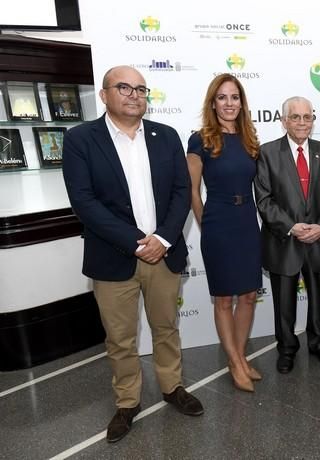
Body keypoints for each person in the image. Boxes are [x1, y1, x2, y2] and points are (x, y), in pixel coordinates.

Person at [62, 65, 203, 443]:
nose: (133, 94)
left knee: (166, 328)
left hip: (164, 254)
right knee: (121, 338)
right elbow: (84, 202)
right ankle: (127, 402)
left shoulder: (166, 136)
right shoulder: (80, 139)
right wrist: (137, 242)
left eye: (141, 89)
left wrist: (163, 239)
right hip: (114, 258)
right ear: (105, 94)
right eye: (123, 87)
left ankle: (173, 387)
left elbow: (180, 192)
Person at [254, 96, 320, 374]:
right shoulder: (267, 153)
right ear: (284, 121)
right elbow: (264, 199)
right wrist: (292, 226)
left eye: (308, 117)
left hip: (318, 239)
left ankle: (319, 344)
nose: (302, 122)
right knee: (284, 301)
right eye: (296, 117)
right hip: (284, 240)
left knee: (319, 298)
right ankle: (287, 349)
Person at [187, 74, 262, 392]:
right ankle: (233, 363)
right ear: (212, 102)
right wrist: (207, 224)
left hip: (247, 220)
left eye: (235, 97)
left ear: (241, 102)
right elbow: (191, 190)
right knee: (223, 299)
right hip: (218, 221)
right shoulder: (200, 139)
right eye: (222, 97)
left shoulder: (249, 139)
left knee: (247, 295)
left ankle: (241, 356)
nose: (229, 103)